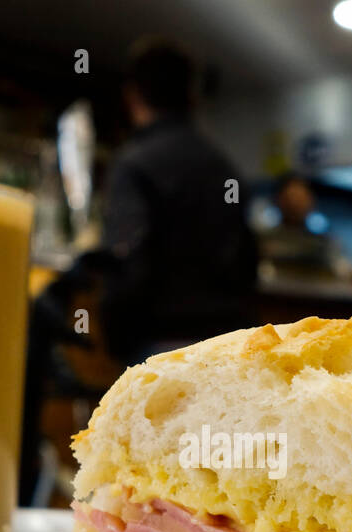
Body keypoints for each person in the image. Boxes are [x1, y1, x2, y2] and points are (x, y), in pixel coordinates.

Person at [98, 38, 258, 365]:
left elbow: (127, 261)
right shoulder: (226, 168)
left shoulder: (134, 164)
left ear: (133, 95)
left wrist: (112, 343)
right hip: (227, 348)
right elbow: (247, 264)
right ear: (193, 97)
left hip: (159, 348)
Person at [258, 172, 352, 282]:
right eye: (290, 198)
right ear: (278, 201)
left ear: (311, 201)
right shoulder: (263, 240)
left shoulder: (324, 242)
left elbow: (345, 271)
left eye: (300, 199)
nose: (295, 205)